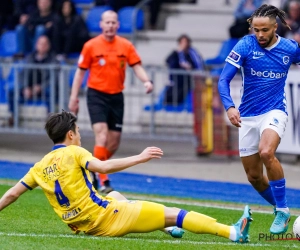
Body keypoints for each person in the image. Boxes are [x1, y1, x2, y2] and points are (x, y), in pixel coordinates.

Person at [0, 110, 252, 242]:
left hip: (88, 224)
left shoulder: (39, 166)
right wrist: (140, 157)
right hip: (107, 218)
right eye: (77, 131)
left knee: (115, 194)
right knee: (176, 212)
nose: (79, 135)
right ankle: (231, 232)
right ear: (69, 135)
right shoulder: (74, 152)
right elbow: (104, 168)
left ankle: (169, 229)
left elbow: (11, 194)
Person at [218, 4, 300, 234]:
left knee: (266, 152)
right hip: (247, 116)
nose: (260, 35)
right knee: (254, 176)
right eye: (256, 30)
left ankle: (283, 210)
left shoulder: (290, 48)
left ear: (276, 27)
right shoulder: (245, 44)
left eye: (265, 30)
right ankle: (279, 207)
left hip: (275, 111)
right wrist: (230, 107)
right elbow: (223, 80)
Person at [68, 10, 154, 194]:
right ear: (101, 24)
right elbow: (80, 73)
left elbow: (136, 66)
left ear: (118, 25)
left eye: (113, 22)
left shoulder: (126, 45)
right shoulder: (91, 46)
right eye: (107, 22)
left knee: (114, 142)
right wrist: (73, 97)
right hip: (96, 95)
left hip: (116, 96)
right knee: (102, 135)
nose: (110, 26)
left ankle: (93, 168)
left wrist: (146, 81)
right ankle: (104, 180)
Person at [8, 35, 58, 126]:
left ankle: (51, 119)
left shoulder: (53, 60)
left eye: (45, 44)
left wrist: (41, 87)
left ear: (48, 46)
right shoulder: (29, 58)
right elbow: (22, 74)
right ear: (36, 45)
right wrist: (25, 87)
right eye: (40, 44)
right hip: (29, 88)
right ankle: (13, 116)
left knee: (51, 92)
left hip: (43, 89)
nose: (42, 46)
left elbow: (54, 79)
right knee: (12, 91)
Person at [165, 34, 204, 105]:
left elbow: (197, 66)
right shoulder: (176, 53)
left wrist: (189, 67)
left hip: (188, 79)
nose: (184, 44)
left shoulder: (192, 54)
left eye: (186, 42)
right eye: (182, 42)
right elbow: (169, 61)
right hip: (176, 80)